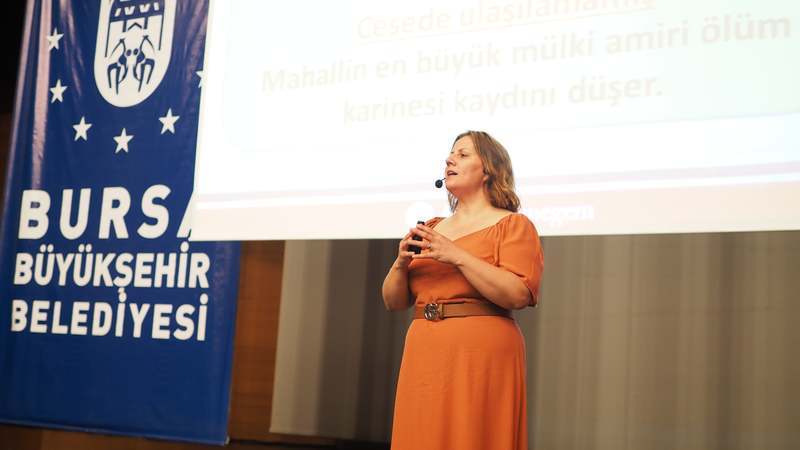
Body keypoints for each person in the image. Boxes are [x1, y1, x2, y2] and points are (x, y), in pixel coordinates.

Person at [382, 130, 544, 450]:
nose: (449, 160)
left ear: (488, 170)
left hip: (479, 352)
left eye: (463, 154)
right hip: (424, 348)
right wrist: (400, 263)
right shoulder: (431, 227)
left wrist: (456, 255)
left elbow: (517, 294)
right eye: (450, 154)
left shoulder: (513, 225)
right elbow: (393, 301)